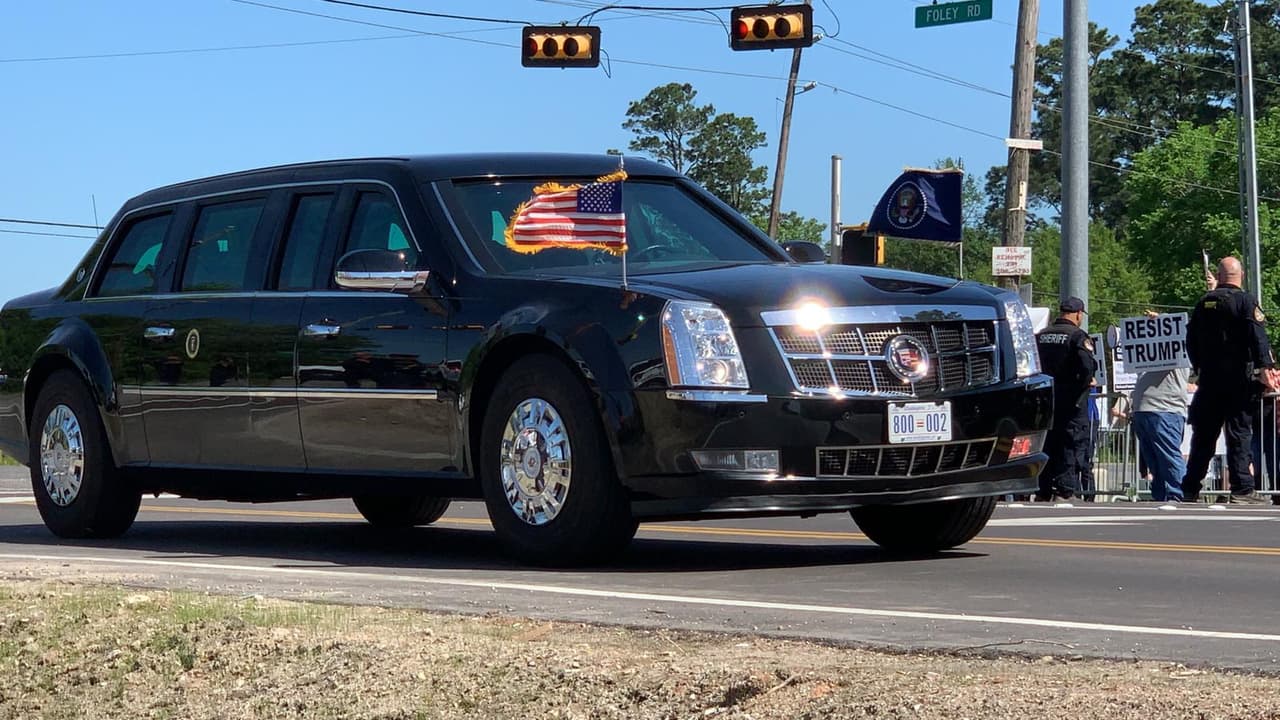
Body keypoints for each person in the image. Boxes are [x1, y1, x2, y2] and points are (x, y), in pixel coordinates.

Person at [1182, 257, 1279, 504]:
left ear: (1219, 275)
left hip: (1209, 380)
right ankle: (1242, 490)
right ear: (1242, 275)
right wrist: (1265, 366)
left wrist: (1199, 366)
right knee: (1238, 434)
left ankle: (1190, 488)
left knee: (1203, 437)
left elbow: (1190, 340)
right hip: (1238, 379)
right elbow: (1257, 335)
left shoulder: (1203, 303)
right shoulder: (1245, 301)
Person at [1035, 297, 1098, 501]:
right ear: (1078, 314)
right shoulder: (1077, 336)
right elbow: (1087, 367)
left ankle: (1043, 490)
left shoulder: (1041, 335)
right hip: (1072, 401)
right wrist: (1082, 384)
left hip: (1046, 400)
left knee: (1047, 444)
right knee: (1071, 443)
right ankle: (1065, 490)